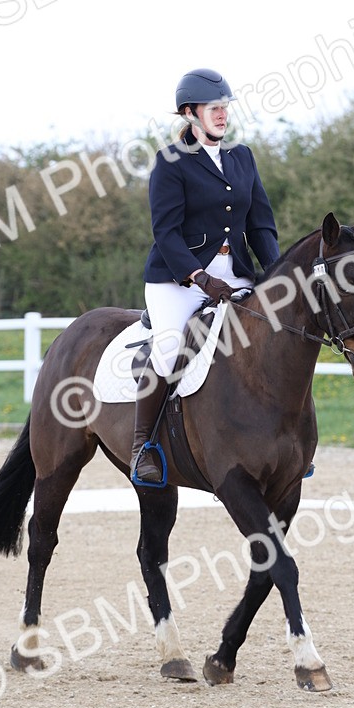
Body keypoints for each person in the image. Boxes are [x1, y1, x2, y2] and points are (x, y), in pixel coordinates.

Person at [131, 67, 281, 485]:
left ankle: (284, 439)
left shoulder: (242, 157)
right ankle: (144, 445)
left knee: (276, 338)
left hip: (234, 276)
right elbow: (165, 231)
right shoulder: (170, 162)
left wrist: (276, 269)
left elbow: (261, 224)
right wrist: (198, 275)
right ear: (190, 113)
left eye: (225, 107)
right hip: (176, 280)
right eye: (214, 108)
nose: (222, 115)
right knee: (167, 349)